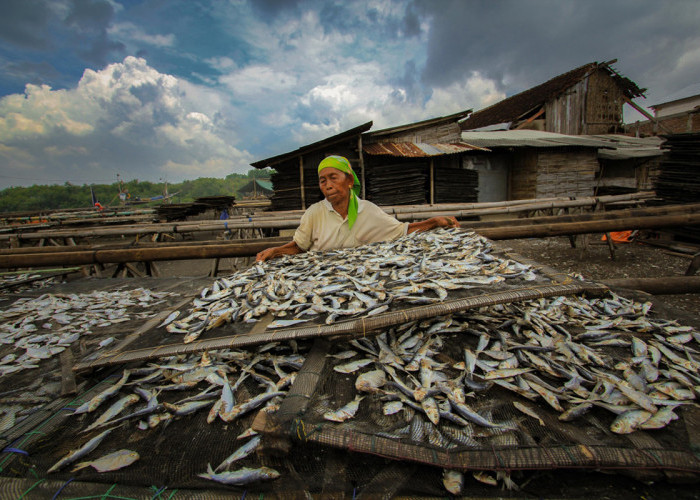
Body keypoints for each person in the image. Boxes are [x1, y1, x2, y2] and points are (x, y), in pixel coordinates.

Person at [256, 155, 459, 262]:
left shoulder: (368, 211)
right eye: (322, 180)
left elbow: (402, 231)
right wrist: (275, 251)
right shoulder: (314, 213)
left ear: (349, 180)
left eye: (333, 178)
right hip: (319, 273)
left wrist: (433, 222)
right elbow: (299, 246)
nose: (327, 185)